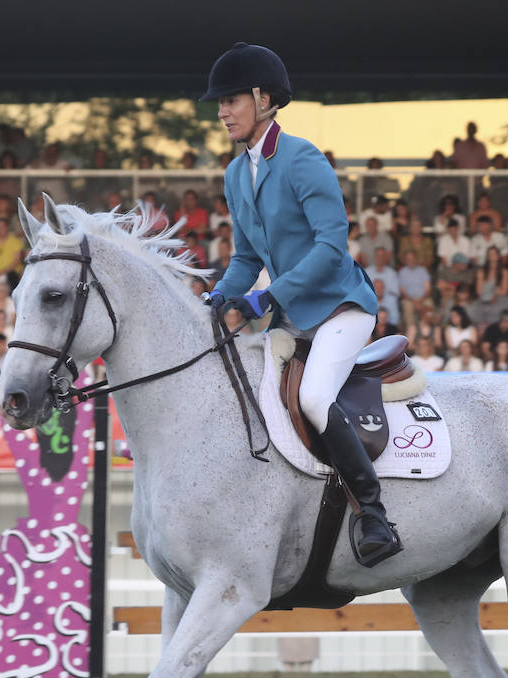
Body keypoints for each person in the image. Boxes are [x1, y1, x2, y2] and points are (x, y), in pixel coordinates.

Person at [199, 42, 400, 566]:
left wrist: (264, 297)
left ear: (264, 98)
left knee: (312, 399)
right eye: (219, 103)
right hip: (290, 317)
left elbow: (331, 248)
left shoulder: (302, 159)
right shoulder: (235, 173)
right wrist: (220, 295)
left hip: (339, 311)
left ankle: (374, 514)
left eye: (231, 100)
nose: (222, 111)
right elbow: (245, 257)